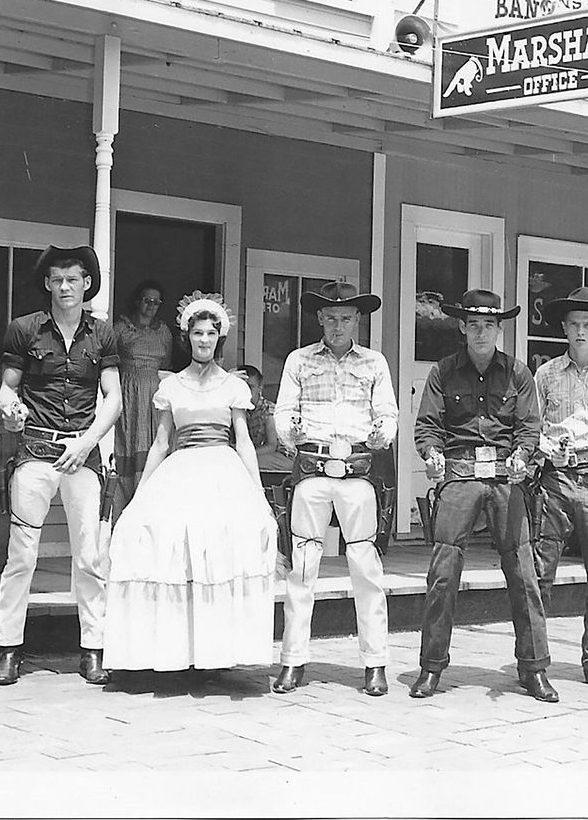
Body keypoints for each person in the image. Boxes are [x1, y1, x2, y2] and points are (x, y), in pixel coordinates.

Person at [102, 292, 277, 673]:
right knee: (161, 541)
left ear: (219, 339)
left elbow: (244, 441)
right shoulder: (172, 386)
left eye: (211, 334)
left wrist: (257, 493)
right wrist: (140, 495)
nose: (204, 340)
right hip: (180, 469)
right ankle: (174, 653)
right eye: (197, 333)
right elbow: (162, 442)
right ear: (187, 337)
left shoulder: (234, 386)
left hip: (222, 469)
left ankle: (216, 656)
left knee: (219, 546)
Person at [410, 289, 557, 703]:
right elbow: (428, 425)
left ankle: (533, 669)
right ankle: (431, 667)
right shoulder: (442, 371)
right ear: (461, 327)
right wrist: (432, 454)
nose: (480, 333)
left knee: (524, 573)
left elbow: (529, 427)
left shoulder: (518, 373)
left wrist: (524, 455)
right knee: (442, 572)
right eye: (473, 325)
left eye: (488, 325)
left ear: (499, 329)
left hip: (506, 477)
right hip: (459, 474)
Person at [0, 245, 121, 686]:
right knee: (21, 554)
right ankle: (9, 649)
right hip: (35, 452)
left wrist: (87, 444)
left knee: (89, 555)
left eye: (74, 279)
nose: (65, 287)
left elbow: (114, 399)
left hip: (81, 456)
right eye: (57, 279)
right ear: (47, 283)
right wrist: (10, 410)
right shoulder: (24, 329)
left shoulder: (102, 335)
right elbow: (7, 391)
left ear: (87, 284)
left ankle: (92, 650)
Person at [270, 283, 398, 697]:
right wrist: (290, 432)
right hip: (313, 468)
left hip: (358, 471)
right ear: (320, 320)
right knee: (303, 568)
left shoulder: (374, 363)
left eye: (346, 318)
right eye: (331, 318)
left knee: (366, 569)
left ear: (357, 321)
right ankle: (293, 660)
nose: (338, 325)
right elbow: (285, 410)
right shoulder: (300, 361)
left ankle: (375, 662)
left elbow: (388, 412)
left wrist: (383, 433)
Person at [532, 287, 588, 690]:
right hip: (555, 480)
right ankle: (533, 658)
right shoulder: (546, 374)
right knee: (539, 572)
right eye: (574, 325)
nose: (581, 331)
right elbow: (531, 427)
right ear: (565, 330)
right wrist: (543, 449)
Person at [113, 279, 173, 514]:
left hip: (155, 391)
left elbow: (166, 362)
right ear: (138, 301)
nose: (151, 305)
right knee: (129, 440)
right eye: (147, 300)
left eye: (156, 302)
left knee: (154, 442)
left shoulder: (163, 331)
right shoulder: (122, 328)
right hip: (129, 391)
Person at [234, 364, 294, 476]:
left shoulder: (269, 411)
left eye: (250, 387)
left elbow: (271, 446)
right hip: (261, 454)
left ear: (260, 388)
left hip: (283, 457)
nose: (245, 390)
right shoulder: (238, 409)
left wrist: (244, 454)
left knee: (244, 462)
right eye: (242, 386)